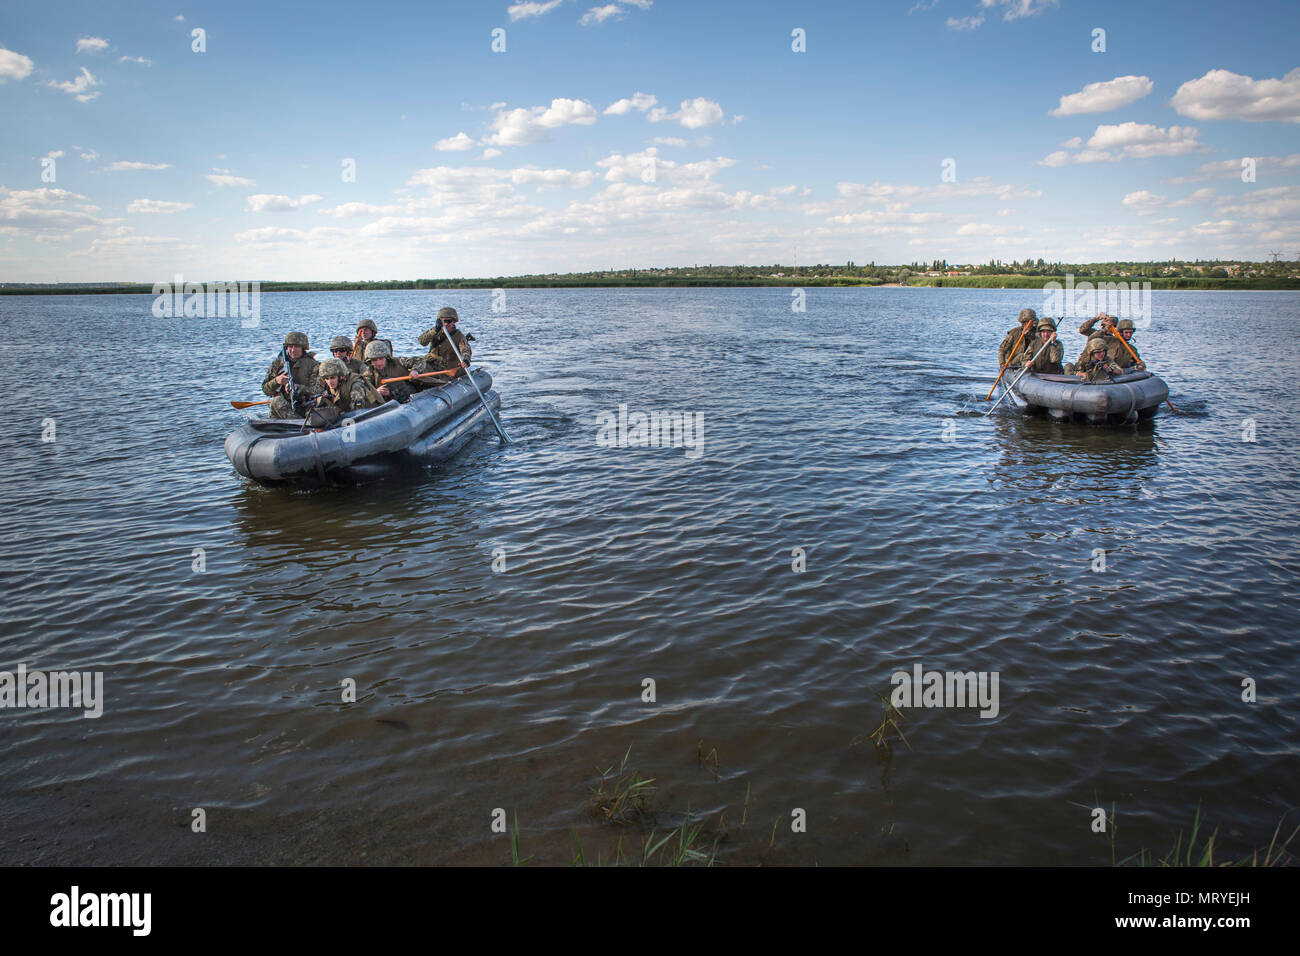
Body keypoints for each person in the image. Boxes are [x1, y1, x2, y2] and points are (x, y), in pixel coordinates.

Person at [261, 331, 320, 418]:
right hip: (280, 407)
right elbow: (266, 390)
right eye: (290, 347)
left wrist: (298, 388)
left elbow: (318, 391)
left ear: (303, 348)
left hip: (304, 407)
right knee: (276, 401)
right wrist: (276, 381)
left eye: (296, 347)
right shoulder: (278, 364)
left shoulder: (313, 365)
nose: (293, 350)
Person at [417, 306, 473, 381]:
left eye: (450, 322)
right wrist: (435, 330)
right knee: (415, 365)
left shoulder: (459, 336)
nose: (447, 324)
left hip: (448, 367)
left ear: (453, 322)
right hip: (433, 363)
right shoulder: (435, 332)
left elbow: (466, 350)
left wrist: (466, 360)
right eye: (445, 321)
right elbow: (422, 342)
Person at [358, 340, 414, 405]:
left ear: (386, 357)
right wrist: (376, 393)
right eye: (374, 360)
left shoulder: (398, 362)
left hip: (406, 393)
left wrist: (415, 370)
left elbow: (418, 361)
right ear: (370, 361)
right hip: (384, 400)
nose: (379, 363)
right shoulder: (368, 372)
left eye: (381, 358)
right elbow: (364, 394)